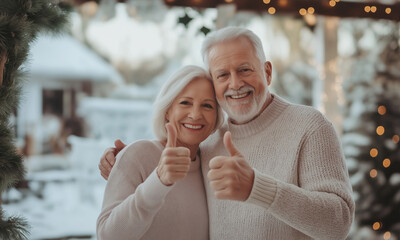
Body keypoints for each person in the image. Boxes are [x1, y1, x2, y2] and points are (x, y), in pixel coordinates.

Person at [99, 27, 355, 240]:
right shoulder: (208, 138)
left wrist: (257, 187)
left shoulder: (310, 126)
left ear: (267, 72)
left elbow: (338, 223)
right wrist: (125, 161)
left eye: (244, 69)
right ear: (214, 83)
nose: (235, 84)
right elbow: (172, 161)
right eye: (223, 75)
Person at [96, 65, 224, 240]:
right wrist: (159, 180)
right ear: (167, 110)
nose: (195, 115)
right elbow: (107, 236)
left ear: (217, 116)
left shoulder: (211, 166)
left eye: (207, 106)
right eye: (185, 102)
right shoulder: (137, 155)